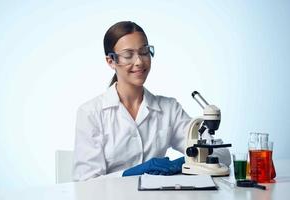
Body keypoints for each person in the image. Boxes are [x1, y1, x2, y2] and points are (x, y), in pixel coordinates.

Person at [72, 21, 230, 181]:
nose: (139, 61)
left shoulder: (169, 109)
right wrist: (129, 174)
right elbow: (86, 183)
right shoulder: (91, 113)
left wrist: (188, 161)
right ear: (111, 61)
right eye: (128, 55)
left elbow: (222, 154)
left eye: (144, 52)